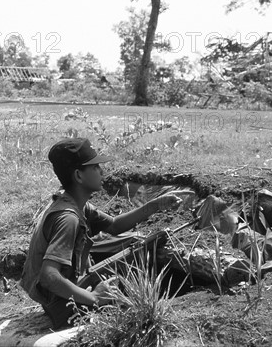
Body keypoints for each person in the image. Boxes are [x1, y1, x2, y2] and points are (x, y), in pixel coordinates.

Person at [20, 138, 184, 329]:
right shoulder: (68, 219)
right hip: (61, 306)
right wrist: (94, 297)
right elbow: (49, 276)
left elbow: (114, 226)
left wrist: (155, 205)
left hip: (57, 297)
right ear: (79, 176)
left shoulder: (77, 205)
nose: (102, 171)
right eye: (95, 167)